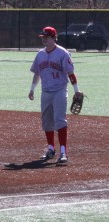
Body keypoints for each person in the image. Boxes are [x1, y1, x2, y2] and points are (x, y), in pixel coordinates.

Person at [28, 26, 82, 164]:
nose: (43, 39)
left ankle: (63, 152)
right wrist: (32, 89)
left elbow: (71, 73)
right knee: (46, 122)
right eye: (42, 37)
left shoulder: (63, 53)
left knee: (59, 120)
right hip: (45, 91)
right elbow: (37, 73)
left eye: (46, 37)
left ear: (53, 38)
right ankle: (51, 149)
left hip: (59, 91)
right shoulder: (40, 54)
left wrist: (76, 90)